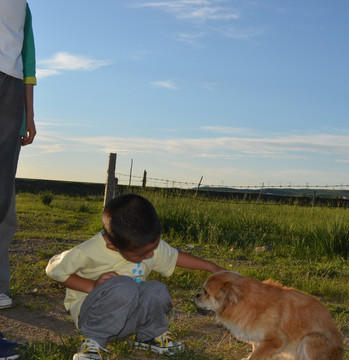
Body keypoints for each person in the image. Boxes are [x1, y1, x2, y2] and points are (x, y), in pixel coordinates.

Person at [46, 194, 224, 360]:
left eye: (152, 249)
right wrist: (93, 286)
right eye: (141, 254)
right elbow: (54, 270)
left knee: (157, 289)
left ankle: (149, 336)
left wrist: (210, 266)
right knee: (125, 287)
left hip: (129, 320)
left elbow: (175, 257)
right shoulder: (89, 250)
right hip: (94, 317)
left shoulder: (144, 243)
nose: (149, 256)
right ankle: (94, 343)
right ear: (112, 246)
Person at [0, 1, 37, 311]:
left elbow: (29, 63)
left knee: (3, 193)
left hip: (11, 90)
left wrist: (30, 114)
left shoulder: (22, 6)